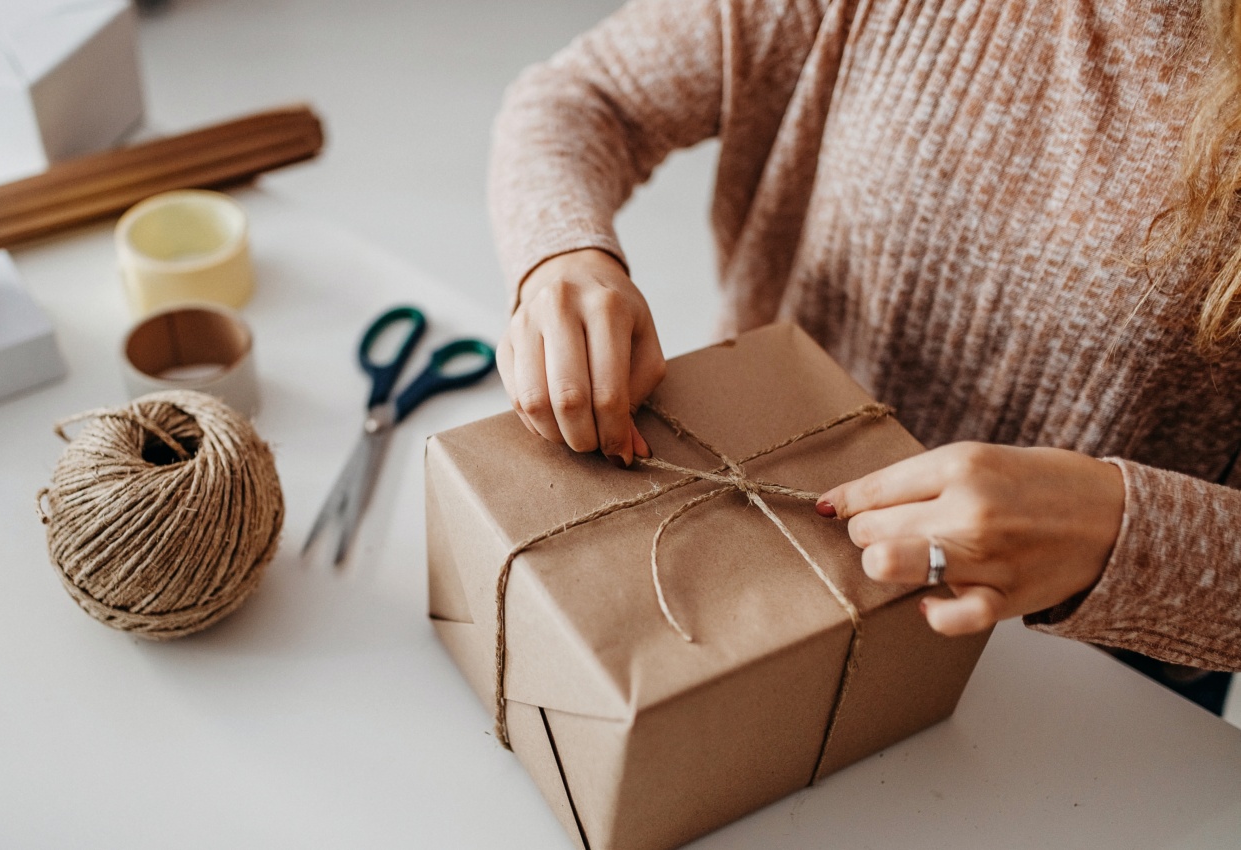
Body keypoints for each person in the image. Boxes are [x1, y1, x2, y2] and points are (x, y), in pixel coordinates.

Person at [488, 0, 1241, 690]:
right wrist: (564, 257)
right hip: (744, 578)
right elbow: (584, 98)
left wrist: (1124, 533)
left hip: (1086, 703)